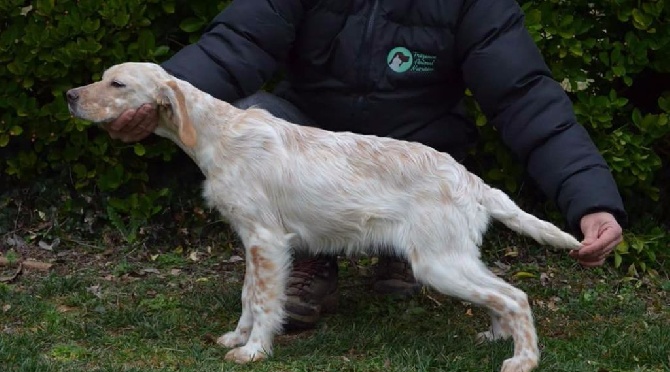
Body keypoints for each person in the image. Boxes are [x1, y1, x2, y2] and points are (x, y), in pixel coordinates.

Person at [105, 0, 626, 329]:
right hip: (308, 136)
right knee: (248, 117)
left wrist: (590, 199)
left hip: (414, 147)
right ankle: (310, 255)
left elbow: (525, 98)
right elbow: (232, 49)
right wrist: (149, 102)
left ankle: (405, 243)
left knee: (431, 171)